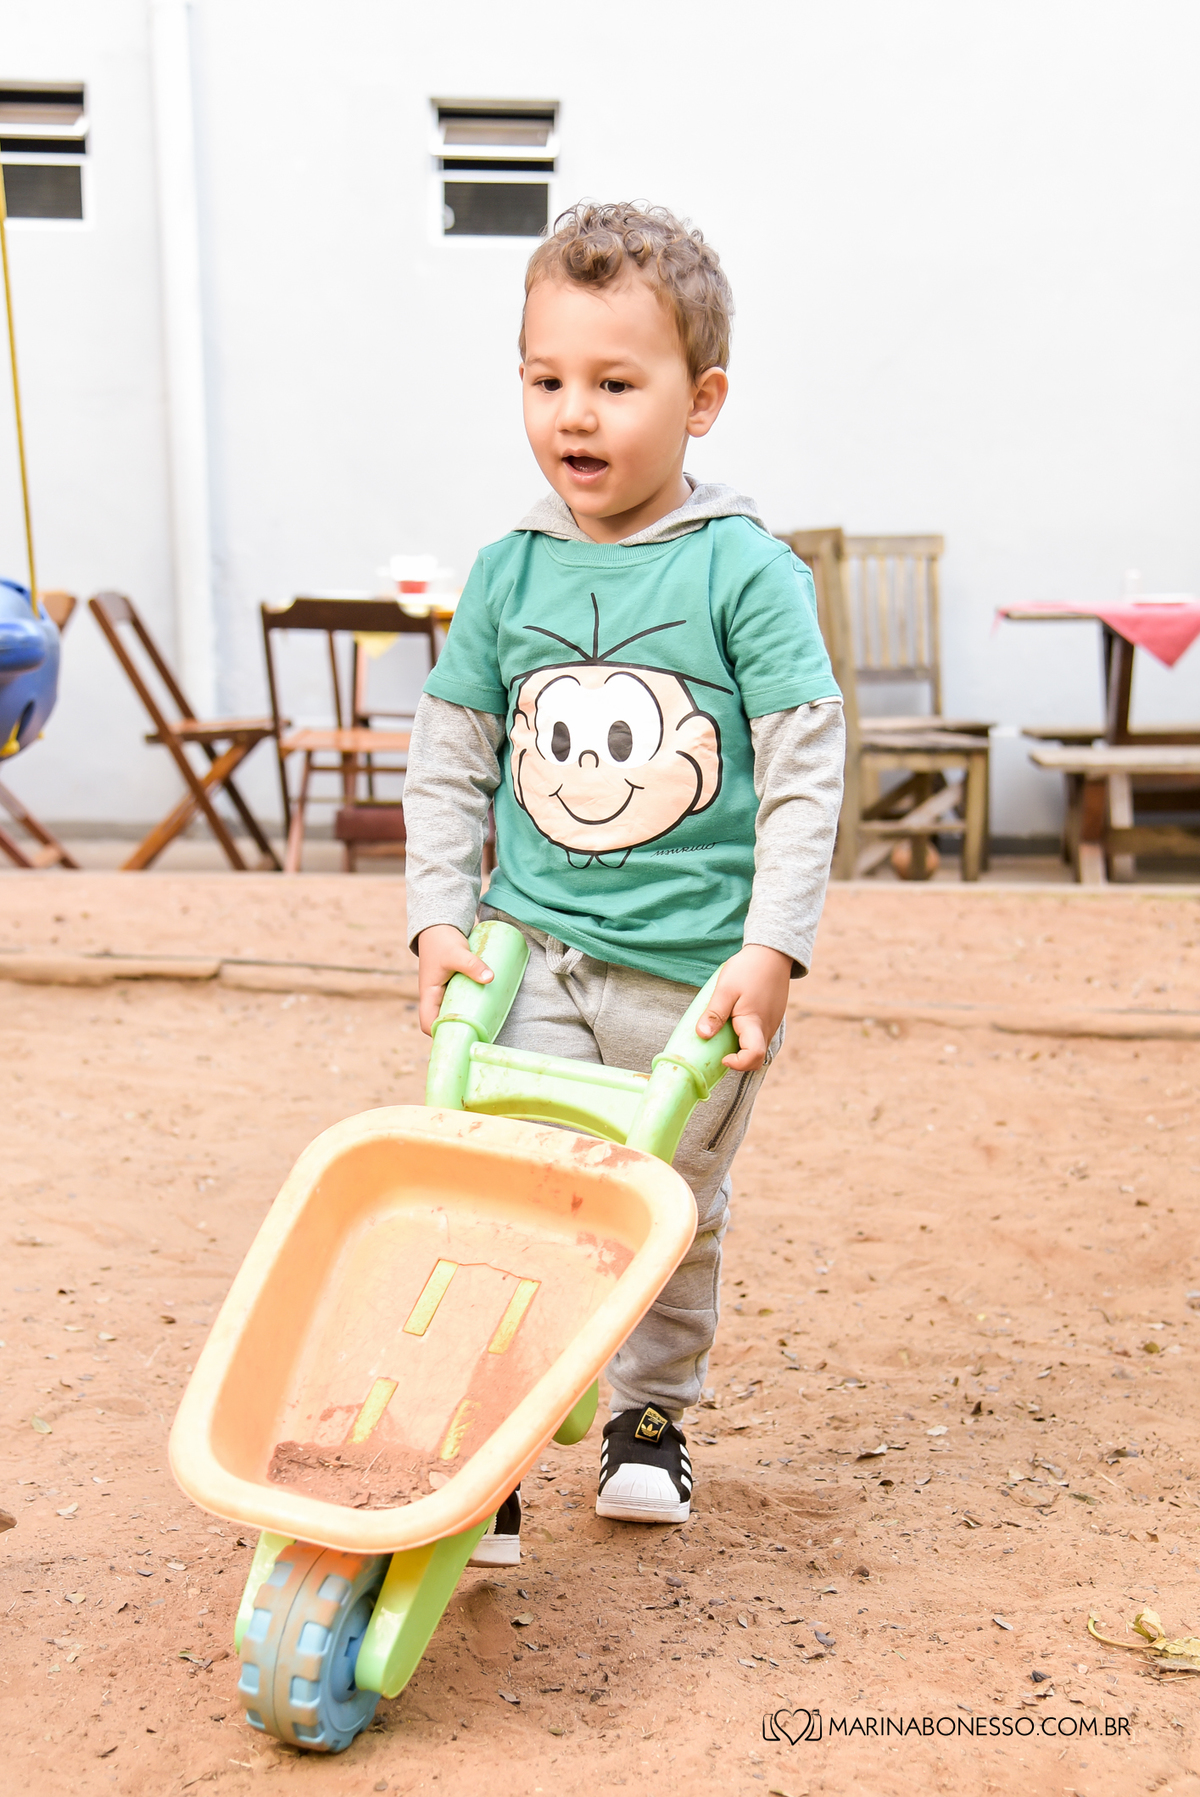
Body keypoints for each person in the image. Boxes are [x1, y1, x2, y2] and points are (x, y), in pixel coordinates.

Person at [403, 201, 843, 1565]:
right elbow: (450, 754)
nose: (573, 415)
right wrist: (438, 915)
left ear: (701, 400)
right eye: (546, 381)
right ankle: (491, 1443)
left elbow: (805, 764)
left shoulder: (745, 572)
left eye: (614, 382)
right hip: (534, 950)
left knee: (667, 1207)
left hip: (696, 979)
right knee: (517, 1191)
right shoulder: (507, 573)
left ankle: (648, 1417)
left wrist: (773, 946)